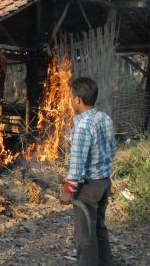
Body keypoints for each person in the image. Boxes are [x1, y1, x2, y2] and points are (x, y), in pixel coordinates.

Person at [59, 77, 116, 266]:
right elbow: (112, 149)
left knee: (85, 236)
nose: (69, 101)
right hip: (104, 183)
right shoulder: (104, 118)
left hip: (89, 188)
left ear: (78, 100)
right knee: (99, 227)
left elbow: (77, 165)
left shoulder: (82, 127)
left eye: (70, 97)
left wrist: (68, 190)